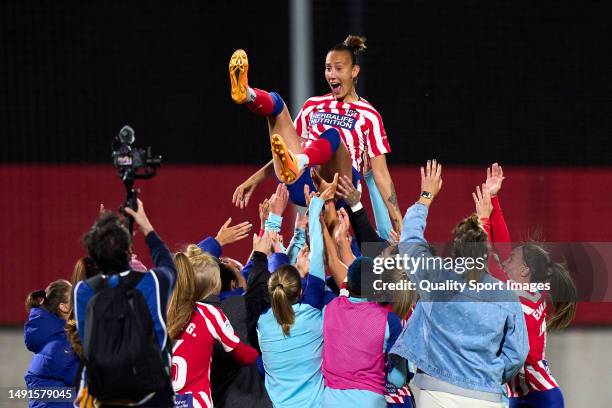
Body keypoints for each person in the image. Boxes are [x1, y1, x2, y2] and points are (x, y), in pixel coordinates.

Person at [230, 35, 402, 234]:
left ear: (354, 71)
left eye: (338, 68)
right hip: (303, 183)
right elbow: (286, 154)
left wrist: (399, 223)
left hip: (341, 188)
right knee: (277, 105)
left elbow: (381, 174)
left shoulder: (369, 115)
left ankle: (300, 162)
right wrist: (254, 179)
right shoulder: (313, 105)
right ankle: (247, 94)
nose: (331, 74)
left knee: (332, 136)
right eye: (328, 68)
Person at [390, 160, 529, 408]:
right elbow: (518, 353)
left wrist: (426, 196)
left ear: (455, 250)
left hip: (435, 392)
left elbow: (409, 239)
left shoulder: (435, 278)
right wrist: (490, 374)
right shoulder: (504, 295)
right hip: (487, 396)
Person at [473, 163, 576, 408]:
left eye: (512, 259)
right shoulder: (527, 291)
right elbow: (501, 246)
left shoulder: (518, 299)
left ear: (524, 271)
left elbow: (487, 259)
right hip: (520, 396)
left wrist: (483, 220)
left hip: (541, 398)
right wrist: (494, 200)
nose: (506, 258)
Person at [73, 200, 176, 407]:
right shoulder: (151, 282)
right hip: (153, 394)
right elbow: (168, 265)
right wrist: (146, 226)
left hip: (104, 394)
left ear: (94, 255)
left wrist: (102, 235)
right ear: (129, 250)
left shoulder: (83, 291)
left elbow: (87, 343)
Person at [256, 179, 336, 407]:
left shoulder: (262, 321)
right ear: (302, 291)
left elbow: (268, 259)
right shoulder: (311, 311)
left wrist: (272, 219)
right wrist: (315, 209)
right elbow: (318, 253)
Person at [168, 244, 260, 408]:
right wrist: (259, 355)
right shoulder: (208, 313)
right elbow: (244, 355)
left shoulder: (158, 316)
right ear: (215, 283)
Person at [24, 280, 79, 408]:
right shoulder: (62, 345)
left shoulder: (52, 335)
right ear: (63, 307)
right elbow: (86, 380)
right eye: (74, 298)